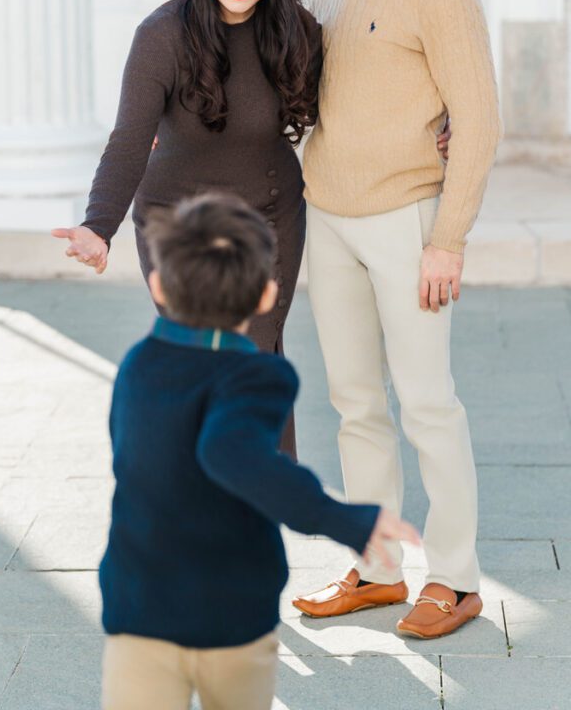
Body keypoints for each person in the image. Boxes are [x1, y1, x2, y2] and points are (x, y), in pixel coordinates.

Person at [52, 0, 452, 459]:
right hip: (178, 223)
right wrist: (98, 225)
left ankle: (256, 499)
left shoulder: (297, 32)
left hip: (268, 214)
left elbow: (367, 90)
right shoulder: (163, 34)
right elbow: (128, 139)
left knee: (256, 354)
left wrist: (440, 121)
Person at [292, 0, 502, 639]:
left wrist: (447, 237)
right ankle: (378, 571)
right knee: (353, 403)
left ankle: (455, 579)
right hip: (329, 218)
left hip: (406, 222)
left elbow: (477, 120)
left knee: (425, 403)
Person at [99, 192, 420, 710]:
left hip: (140, 605)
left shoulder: (137, 364)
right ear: (267, 296)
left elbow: (129, 454)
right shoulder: (259, 376)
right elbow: (232, 455)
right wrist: (346, 520)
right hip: (232, 610)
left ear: (158, 284)